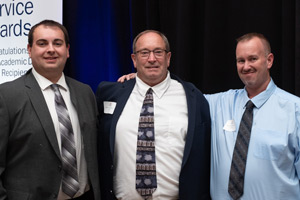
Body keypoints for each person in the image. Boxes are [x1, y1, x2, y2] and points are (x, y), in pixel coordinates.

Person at [118, 33, 300, 200]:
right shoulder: (218, 103)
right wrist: (144, 78)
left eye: (253, 59)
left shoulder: (295, 110)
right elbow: (176, 95)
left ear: (269, 60)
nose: (246, 66)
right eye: (240, 60)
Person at [96, 30, 211, 199]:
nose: (152, 59)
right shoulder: (110, 94)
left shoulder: (193, 97)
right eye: (144, 53)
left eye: (158, 52)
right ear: (134, 60)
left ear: (168, 58)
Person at [0, 20, 100, 200]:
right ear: (29, 50)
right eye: (42, 43)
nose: (51, 49)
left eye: (57, 43)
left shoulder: (85, 92)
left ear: (67, 50)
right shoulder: (6, 95)